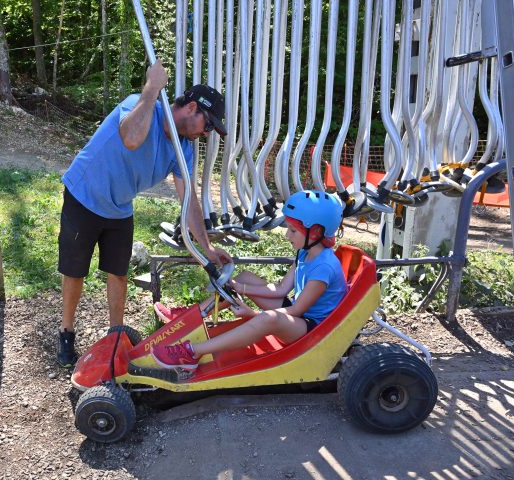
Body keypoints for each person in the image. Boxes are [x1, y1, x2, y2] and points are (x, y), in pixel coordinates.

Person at [56, 59, 233, 367]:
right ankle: (66, 331)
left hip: (119, 207)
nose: (207, 134)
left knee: (118, 272)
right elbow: (131, 138)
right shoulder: (139, 106)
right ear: (191, 108)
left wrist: (206, 248)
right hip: (84, 195)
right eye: (208, 125)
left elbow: (189, 200)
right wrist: (151, 88)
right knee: (75, 270)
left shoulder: (184, 148)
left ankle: (115, 335)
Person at [151, 190, 347, 372]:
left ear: (315, 232)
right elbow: (281, 290)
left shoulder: (323, 268)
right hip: (300, 317)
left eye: (293, 231)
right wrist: (240, 287)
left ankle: (191, 353)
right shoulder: (305, 252)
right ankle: (188, 317)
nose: (287, 235)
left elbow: (296, 311)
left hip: (313, 330)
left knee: (268, 318)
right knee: (245, 277)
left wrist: (252, 314)